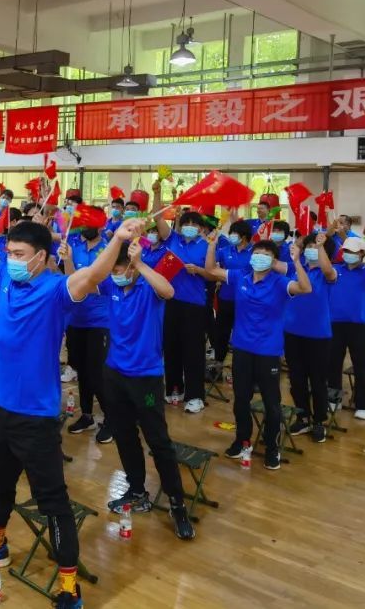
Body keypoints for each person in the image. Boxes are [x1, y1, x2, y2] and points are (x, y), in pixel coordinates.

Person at [0, 206, 144, 609]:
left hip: (36, 418)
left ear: (40, 256)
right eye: (9, 252)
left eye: (19, 254)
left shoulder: (57, 290)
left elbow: (93, 275)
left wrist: (119, 239)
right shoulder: (3, 277)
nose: (11, 259)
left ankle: (69, 587)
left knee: (52, 500)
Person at [99, 241, 195, 540]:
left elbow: (169, 291)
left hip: (146, 377)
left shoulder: (149, 288)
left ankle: (177, 504)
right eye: (113, 270)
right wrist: (64, 260)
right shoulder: (110, 286)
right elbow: (85, 281)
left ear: (132, 268)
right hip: (115, 373)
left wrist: (140, 264)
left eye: (121, 269)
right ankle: (137, 490)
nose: (116, 275)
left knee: (158, 440)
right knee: (125, 435)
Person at [205, 237, 312, 470]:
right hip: (241, 348)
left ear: (273, 261)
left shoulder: (280, 282)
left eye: (266, 254)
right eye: (257, 253)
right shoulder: (240, 277)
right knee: (241, 399)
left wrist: (296, 262)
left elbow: (305, 288)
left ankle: (272, 448)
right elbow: (211, 270)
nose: (260, 257)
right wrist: (211, 245)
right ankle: (242, 441)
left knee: (271, 403)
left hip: (268, 351)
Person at [59, 223, 112, 443]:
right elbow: (71, 283)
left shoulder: (107, 250)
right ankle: (87, 415)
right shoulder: (74, 248)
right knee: (82, 371)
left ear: (100, 226)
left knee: (97, 373)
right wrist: (66, 260)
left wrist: (75, 276)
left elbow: (90, 285)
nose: (85, 227)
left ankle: (112, 419)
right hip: (76, 319)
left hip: (99, 321)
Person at [284, 232, 337, 442]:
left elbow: (328, 270)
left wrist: (321, 246)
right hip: (292, 332)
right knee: (296, 379)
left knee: (317, 381)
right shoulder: (296, 269)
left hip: (318, 335)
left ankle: (319, 420)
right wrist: (295, 258)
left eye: (315, 247)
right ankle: (303, 416)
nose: (311, 249)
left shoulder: (328, 273)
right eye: (309, 246)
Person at [154, 210, 209, 412]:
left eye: (194, 224)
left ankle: (195, 396)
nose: (190, 227)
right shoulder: (173, 240)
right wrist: (157, 194)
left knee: (193, 351)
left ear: (201, 228)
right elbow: (158, 218)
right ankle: (174, 388)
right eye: (187, 223)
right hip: (171, 301)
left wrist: (199, 270)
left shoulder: (206, 245)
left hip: (194, 304)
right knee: (171, 347)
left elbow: (213, 274)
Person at [327, 237, 365, 420]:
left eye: (352, 252)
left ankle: (363, 404)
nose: (348, 255)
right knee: (333, 364)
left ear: (361, 253)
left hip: (359, 325)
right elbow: (326, 271)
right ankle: (333, 399)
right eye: (345, 251)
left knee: (361, 366)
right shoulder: (336, 269)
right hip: (335, 323)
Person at [212, 220, 254, 368]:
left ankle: (242, 365)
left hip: (246, 300)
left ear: (244, 236)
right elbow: (211, 263)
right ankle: (218, 362)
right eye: (231, 233)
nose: (231, 236)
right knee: (221, 332)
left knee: (243, 333)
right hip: (225, 297)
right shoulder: (225, 250)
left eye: (234, 233)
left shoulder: (255, 252)